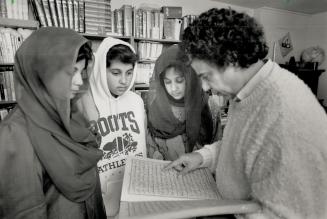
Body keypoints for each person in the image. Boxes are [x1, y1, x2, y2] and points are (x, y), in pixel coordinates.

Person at [166, 8, 327, 219]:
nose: (205, 88)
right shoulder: (246, 91)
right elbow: (244, 145)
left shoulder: (285, 114)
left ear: (231, 58)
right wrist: (202, 156)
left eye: (206, 76)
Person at [0, 27, 106, 218]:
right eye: (69, 72)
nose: (78, 82)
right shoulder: (14, 133)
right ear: (42, 72)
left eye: (81, 72)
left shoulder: (70, 114)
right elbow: (24, 211)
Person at [78, 37, 146, 217]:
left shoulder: (137, 101)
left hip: (134, 190)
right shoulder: (88, 105)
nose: (124, 81)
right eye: (116, 73)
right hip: (101, 195)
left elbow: (141, 145)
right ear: (102, 70)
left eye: (129, 73)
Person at [146, 44, 222, 161]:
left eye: (179, 80)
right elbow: (151, 147)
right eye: (168, 82)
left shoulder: (209, 106)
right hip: (165, 174)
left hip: (201, 175)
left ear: (190, 77)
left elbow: (218, 148)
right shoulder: (157, 108)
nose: (173, 88)